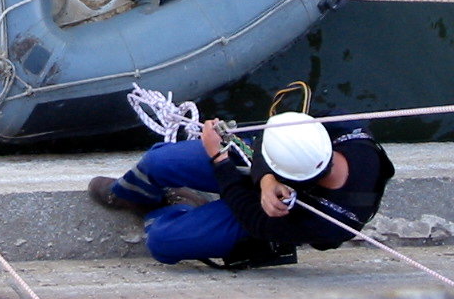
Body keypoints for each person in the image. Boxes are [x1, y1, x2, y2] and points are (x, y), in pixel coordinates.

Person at [88, 111, 394, 266]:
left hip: (265, 216)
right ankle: (131, 194)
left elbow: (254, 220)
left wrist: (220, 159)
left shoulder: (330, 222)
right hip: (262, 175)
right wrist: (265, 178)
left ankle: (179, 208)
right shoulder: (343, 131)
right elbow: (266, 141)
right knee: (159, 161)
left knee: (162, 242)